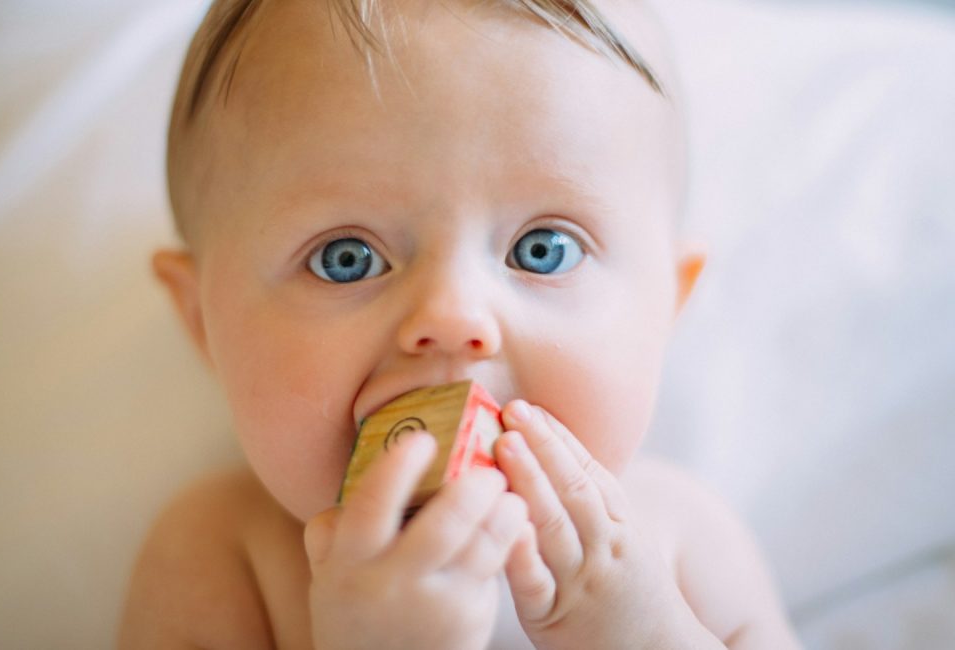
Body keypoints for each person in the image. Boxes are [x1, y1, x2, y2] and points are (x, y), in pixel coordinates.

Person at [119, 0, 800, 647]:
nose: (452, 318)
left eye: (543, 250)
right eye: (346, 258)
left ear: (665, 309)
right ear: (203, 320)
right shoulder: (223, 558)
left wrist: (648, 636)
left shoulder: (680, 541)